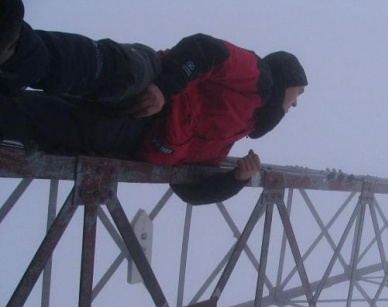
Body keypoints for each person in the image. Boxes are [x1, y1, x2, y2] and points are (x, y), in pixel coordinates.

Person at [0, 0, 308, 205]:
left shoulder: (229, 139)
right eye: (298, 93)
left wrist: (235, 180)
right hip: (153, 79)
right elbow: (203, 49)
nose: (295, 105)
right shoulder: (259, 78)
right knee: (114, 72)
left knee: (42, 122)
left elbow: (188, 188)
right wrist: (163, 88)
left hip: (131, 136)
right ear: (285, 80)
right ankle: (15, 47)